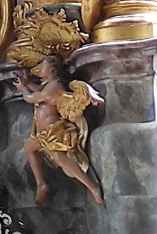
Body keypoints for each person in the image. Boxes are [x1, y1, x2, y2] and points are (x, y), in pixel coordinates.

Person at [13, 55, 104, 206]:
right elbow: (39, 91)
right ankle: (41, 184)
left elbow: (33, 98)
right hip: (43, 133)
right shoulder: (48, 85)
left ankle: (92, 186)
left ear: (52, 69)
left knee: (60, 159)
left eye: (43, 66)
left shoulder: (56, 86)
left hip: (55, 130)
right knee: (29, 148)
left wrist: (23, 89)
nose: (40, 69)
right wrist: (27, 83)